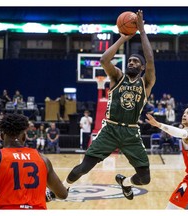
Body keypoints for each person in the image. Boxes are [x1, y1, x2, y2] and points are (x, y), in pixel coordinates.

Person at [62, 9, 156, 200]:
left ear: (142, 68)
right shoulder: (117, 77)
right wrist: (123, 37)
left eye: (136, 62)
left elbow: (151, 60)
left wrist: (142, 31)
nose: (131, 63)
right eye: (129, 60)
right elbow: (104, 60)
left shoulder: (146, 83)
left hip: (131, 132)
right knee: (84, 167)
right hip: (110, 130)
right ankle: (62, 188)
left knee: (145, 177)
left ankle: (125, 182)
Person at [0, 113, 68, 209]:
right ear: (24, 137)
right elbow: (63, 194)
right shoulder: (43, 159)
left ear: (1, 136)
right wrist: (48, 196)